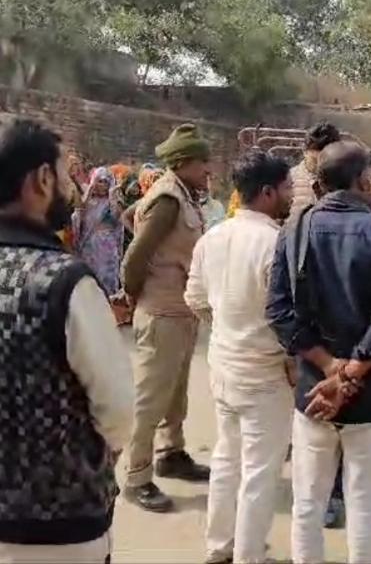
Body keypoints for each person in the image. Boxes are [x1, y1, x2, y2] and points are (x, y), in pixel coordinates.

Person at [267, 141, 371, 564]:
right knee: (365, 505)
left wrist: (329, 367)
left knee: (307, 504)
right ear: (363, 180)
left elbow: (278, 311)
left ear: (318, 182)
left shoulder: (294, 230)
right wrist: (349, 372)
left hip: (315, 389)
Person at [0, 119, 133, 563]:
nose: (71, 186)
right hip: (58, 530)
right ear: (42, 179)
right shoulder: (66, 282)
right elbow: (117, 412)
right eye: (63, 173)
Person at [185, 150, 295, 564]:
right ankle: (248, 555)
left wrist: (227, 327)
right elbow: (286, 315)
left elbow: (195, 297)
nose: (291, 194)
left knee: (227, 459)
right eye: (287, 187)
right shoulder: (276, 243)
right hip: (264, 371)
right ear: (267, 192)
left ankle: (219, 547)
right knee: (259, 471)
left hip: (224, 363)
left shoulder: (213, 237)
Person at [121, 123, 212, 512]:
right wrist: (135, 291)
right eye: (203, 162)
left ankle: (171, 454)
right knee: (151, 399)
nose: (209, 169)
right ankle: (136, 476)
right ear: (184, 162)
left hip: (179, 310)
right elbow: (135, 256)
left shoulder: (182, 195)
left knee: (175, 394)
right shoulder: (168, 200)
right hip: (161, 312)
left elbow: (130, 216)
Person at [72, 167, 125, 295]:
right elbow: (78, 215)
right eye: (99, 181)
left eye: (106, 182)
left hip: (107, 250)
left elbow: (116, 217)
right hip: (89, 248)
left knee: (106, 285)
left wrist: (112, 196)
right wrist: (89, 190)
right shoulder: (88, 202)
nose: (103, 185)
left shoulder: (112, 202)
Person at [289, 122, 341, 219]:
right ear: (304, 151)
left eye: (326, 161)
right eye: (314, 161)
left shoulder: (345, 182)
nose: (320, 166)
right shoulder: (289, 181)